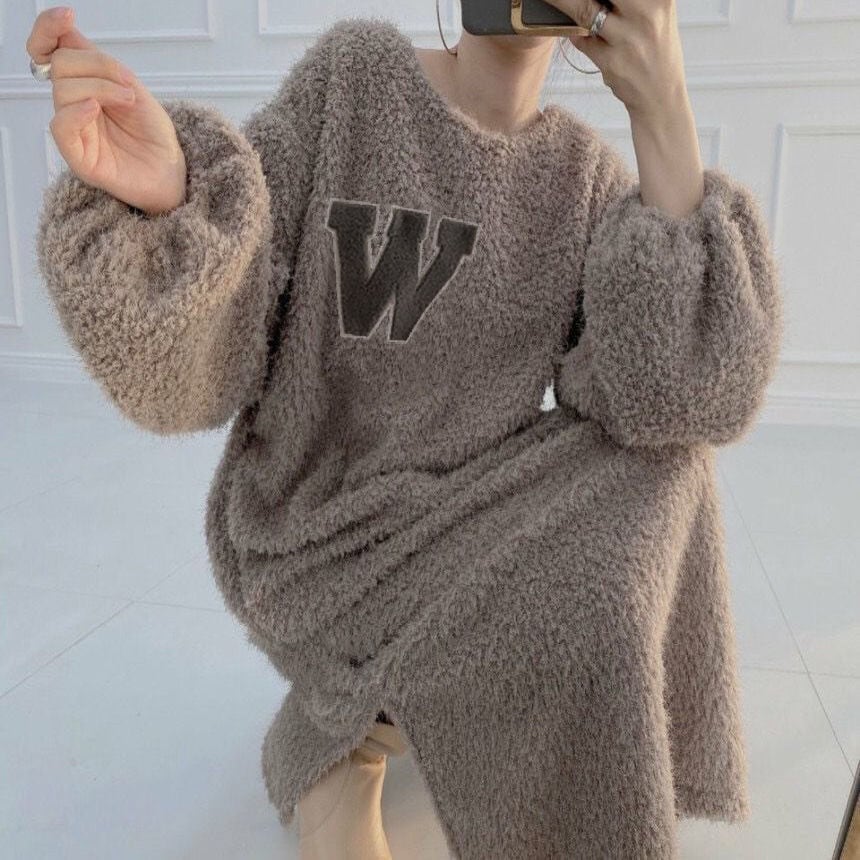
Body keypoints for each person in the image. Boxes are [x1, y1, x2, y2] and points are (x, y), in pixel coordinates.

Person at [29, 2, 784, 858]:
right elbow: (222, 343)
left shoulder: (580, 177)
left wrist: (663, 103)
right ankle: (346, 737)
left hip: (464, 519)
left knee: (669, 468)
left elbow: (678, 395)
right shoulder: (356, 82)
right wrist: (174, 202)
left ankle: (362, 724)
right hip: (319, 536)